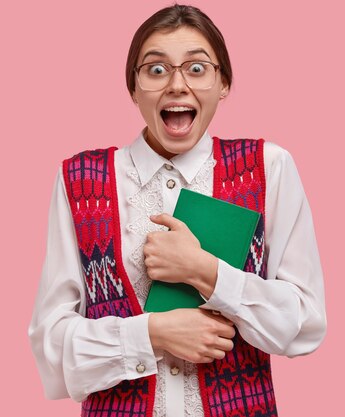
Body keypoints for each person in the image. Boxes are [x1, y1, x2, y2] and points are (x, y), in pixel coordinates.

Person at [28, 4, 326, 417]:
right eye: (156, 70)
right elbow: (51, 348)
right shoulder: (81, 180)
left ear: (224, 82)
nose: (177, 85)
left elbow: (305, 324)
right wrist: (150, 335)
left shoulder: (268, 168)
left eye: (198, 68)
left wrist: (205, 273)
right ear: (133, 88)